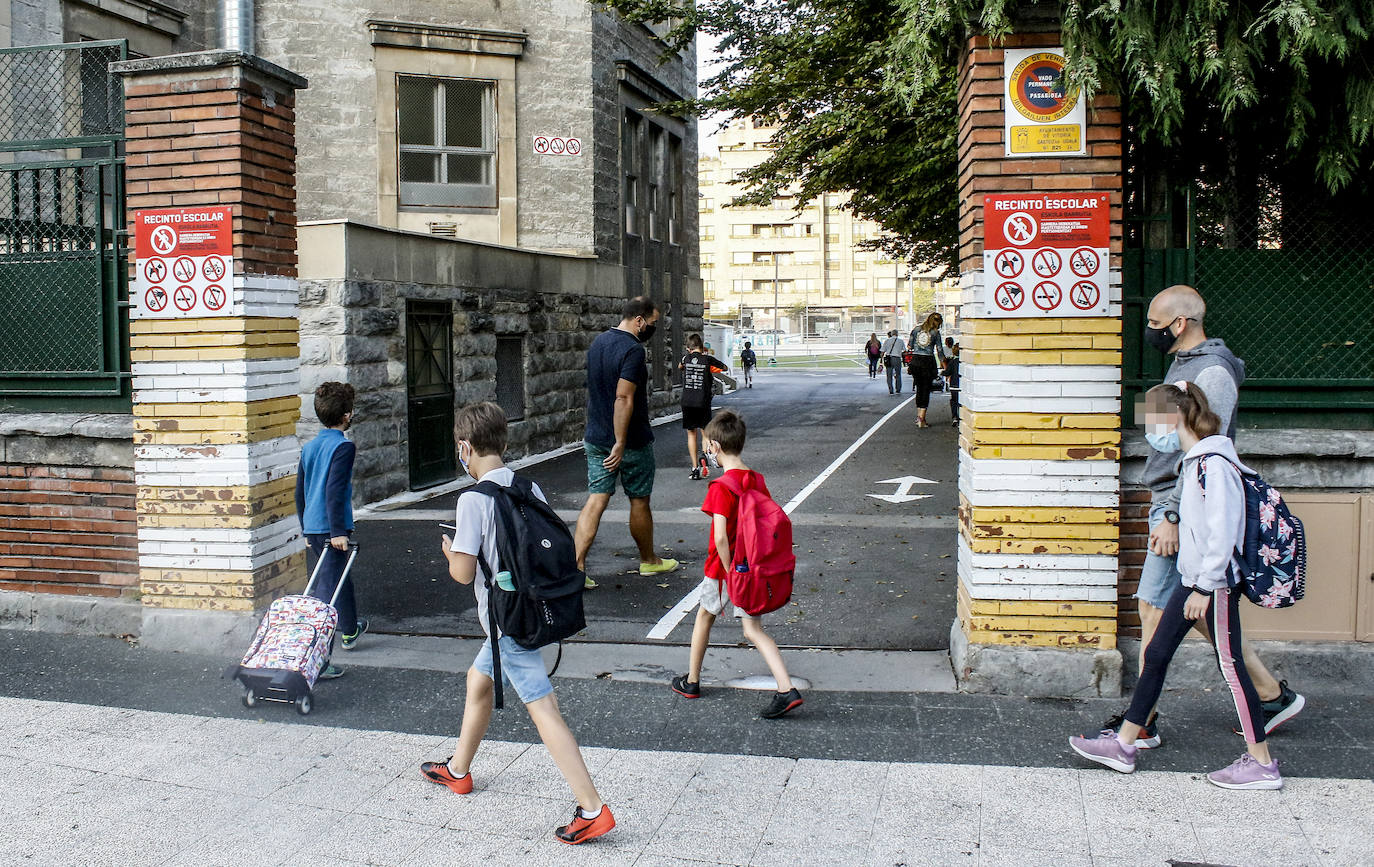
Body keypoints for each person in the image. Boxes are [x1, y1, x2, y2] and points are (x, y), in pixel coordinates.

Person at [1099, 284, 1302, 748]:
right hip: (1171, 500)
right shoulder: (1182, 364)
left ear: (1181, 323)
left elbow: (1208, 449)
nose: (1149, 332)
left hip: (1181, 506)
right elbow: (1163, 431)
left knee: (1152, 606)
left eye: (1154, 324)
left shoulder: (1212, 372)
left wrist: (1171, 514)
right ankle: (1271, 695)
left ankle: (1140, 722)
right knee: (1193, 611)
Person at [1070, 383, 1282, 790]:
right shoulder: (1195, 461)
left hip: (1212, 585)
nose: (1150, 431)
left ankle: (1261, 763)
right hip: (1194, 580)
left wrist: (1204, 588)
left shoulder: (1212, 463)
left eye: (1152, 419)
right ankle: (1125, 745)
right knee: (1157, 654)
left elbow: (1223, 533)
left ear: (1174, 416)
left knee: (1232, 668)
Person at [423, 402, 617, 843]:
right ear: (505, 443)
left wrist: (450, 550)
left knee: (543, 708)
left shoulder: (472, 499)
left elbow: (464, 573)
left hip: (506, 621)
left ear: (464, 447)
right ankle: (458, 770)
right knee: (479, 682)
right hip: (532, 609)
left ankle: (592, 808)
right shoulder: (529, 487)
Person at [669, 409, 804, 719]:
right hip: (754, 568)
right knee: (753, 630)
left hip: (724, 569)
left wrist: (730, 573)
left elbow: (720, 538)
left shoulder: (721, 487)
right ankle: (786, 688)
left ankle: (692, 681)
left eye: (706, 447)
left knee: (704, 615)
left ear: (714, 447)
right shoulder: (757, 479)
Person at [573, 296, 679, 590]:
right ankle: (649, 561)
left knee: (596, 499)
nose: (654, 329)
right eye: (654, 323)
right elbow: (623, 397)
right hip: (629, 442)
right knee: (639, 500)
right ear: (639, 321)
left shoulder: (598, 344)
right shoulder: (632, 350)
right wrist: (620, 441)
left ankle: (576, 568)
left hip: (595, 437)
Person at [295, 381, 366, 679]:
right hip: (331, 527)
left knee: (337, 578)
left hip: (313, 526)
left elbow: (300, 491)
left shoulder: (310, 447)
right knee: (327, 591)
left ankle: (350, 629)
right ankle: (319, 660)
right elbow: (335, 490)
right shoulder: (343, 446)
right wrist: (337, 530)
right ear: (347, 415)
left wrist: (305, 525)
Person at [680, 333, 730, 480]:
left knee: (691, 434)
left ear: (688, 348)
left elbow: (680, 366)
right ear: (702, 347)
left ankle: (694, 468)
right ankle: (706, 456)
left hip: (687, 402)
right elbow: (724, 367)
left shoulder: (685, 359)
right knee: (706, 433)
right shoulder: (708, 360)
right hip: (702, 401)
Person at [908, 313, 948, 428]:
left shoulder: (916, 329)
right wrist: (945, 367)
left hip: (915, 361)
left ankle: (919, 416)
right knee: (926, 389)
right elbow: (940, 351)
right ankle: (922, 419)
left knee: (919, 388)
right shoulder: (935, 332)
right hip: (928, 361)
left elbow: (910, 346)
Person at [880, 329, 906, 394]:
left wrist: (881, 360)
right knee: (898, 374)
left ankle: (891, 390)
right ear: (897, 334)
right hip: (897, 358)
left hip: (889, 358)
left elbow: (882, 351)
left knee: (889, 375)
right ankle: (898, 389)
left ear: (891, 334)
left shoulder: (887, 341)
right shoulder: (901, 341)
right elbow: (904, 350)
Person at [945, 342, 961, 427]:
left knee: (954, 401)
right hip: (962, 385)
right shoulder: (964, 363)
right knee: (961, 402)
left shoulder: (952, 362)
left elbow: (947, 372)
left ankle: (955, 417)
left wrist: (942, 373)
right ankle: (962, 417)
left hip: (954, 385)